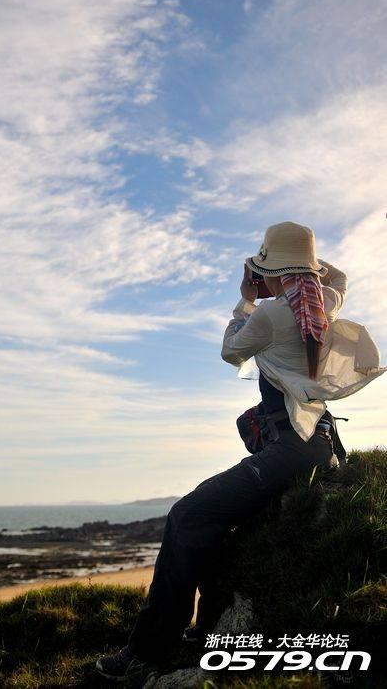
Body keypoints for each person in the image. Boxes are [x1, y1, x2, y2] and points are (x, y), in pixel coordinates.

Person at [95, 221, 386, 684]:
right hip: (315, 437)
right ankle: (205, 624)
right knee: (236, 454)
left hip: (294, 447)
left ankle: (147, 651)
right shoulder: (324, 301)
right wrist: (303, 269)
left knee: (187, 515)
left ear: (272, 272)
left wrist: (247, 296)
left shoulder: (270, 315)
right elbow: (339, 278)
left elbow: (230, 349)